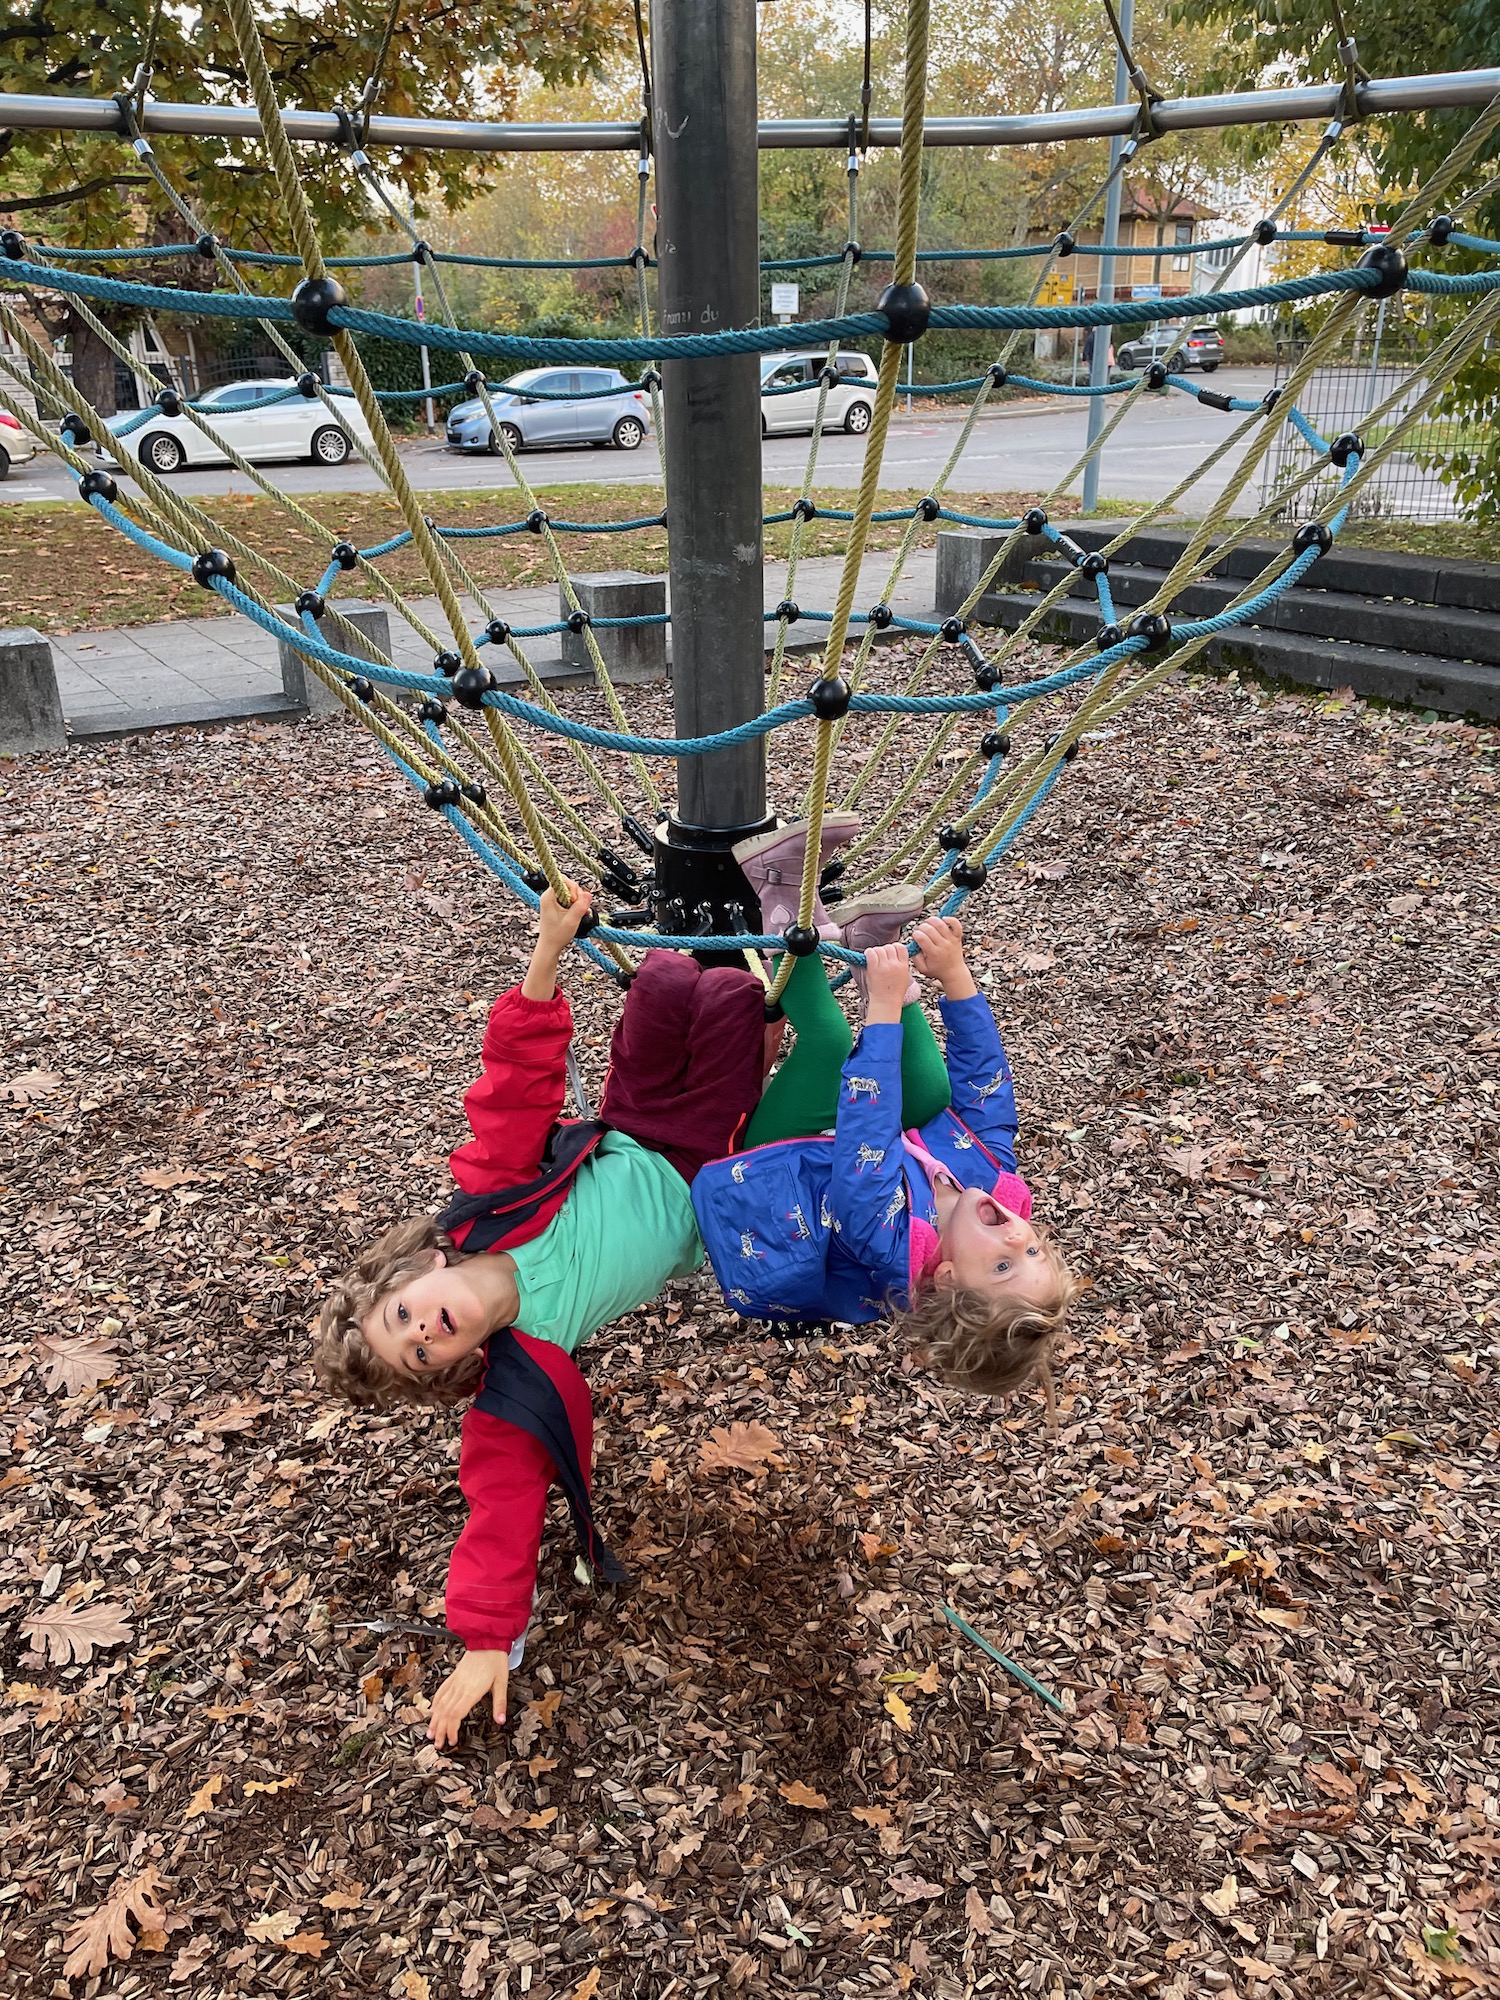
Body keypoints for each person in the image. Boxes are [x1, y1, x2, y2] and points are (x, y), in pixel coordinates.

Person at [314, 886, 766, 1745]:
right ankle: (770, 928)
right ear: (447, 1370)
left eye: (402, 1312)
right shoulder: (524, 1363)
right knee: (735, 998)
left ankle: (735, 915)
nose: (420, 1330)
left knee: (665, 979)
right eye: (414, 1351)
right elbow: (502, 1503)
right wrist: (487, 1640)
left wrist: (546, 955)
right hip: (704, 1164)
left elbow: (512, 1092)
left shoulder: (490, 1203)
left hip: (631, 1123)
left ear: (418, 1267)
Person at [692, 819, 1079, 1408]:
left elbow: (866, 1134)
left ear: (947, 1278)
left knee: (827, 1043)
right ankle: (871, 943)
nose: (1019, 1236)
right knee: (931, 1092)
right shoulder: (999, 1187)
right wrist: (956, 981)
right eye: (1032, 1252)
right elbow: (987, 1095)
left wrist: (885, 1009)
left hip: (790, 1166)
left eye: (1003, 1264)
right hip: (855, 1140)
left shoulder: (889, 1242)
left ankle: (776, 886)